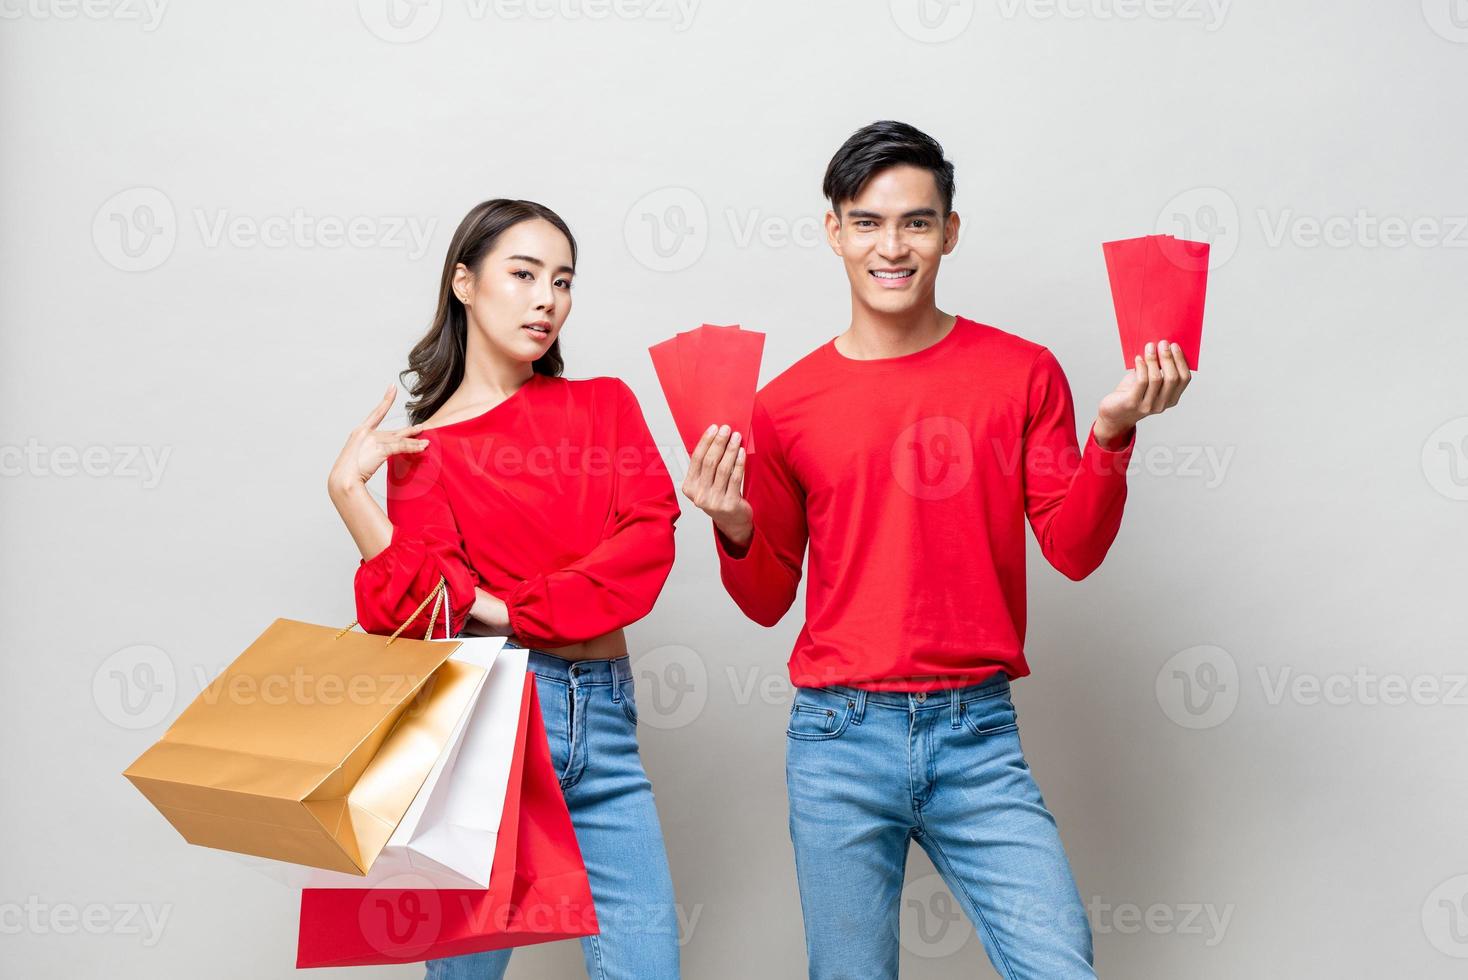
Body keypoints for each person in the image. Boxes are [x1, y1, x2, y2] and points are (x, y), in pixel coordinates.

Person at [680, 121, 1192, 979]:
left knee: (1058, 962)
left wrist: (1110, 436)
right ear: (835, 231)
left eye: (916, 222)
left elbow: (1071, 549)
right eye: (869, 222)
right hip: (839, 736)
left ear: (949, 233)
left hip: (976, 733)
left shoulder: (1022, 372)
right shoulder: (784, 405)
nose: (893, 246)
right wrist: (733, 526)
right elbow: (770, 599)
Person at [327, 198, 683, 980]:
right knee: (466, 974)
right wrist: (352, 498)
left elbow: (648, 538)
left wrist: (501, 604)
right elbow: (416, 611)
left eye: (562, 280)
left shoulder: (604, 405)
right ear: (464, 282)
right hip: (496, 720)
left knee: (647, 964)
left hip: (608, 720)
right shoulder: (425, 453)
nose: (546, 298)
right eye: (522, 274)